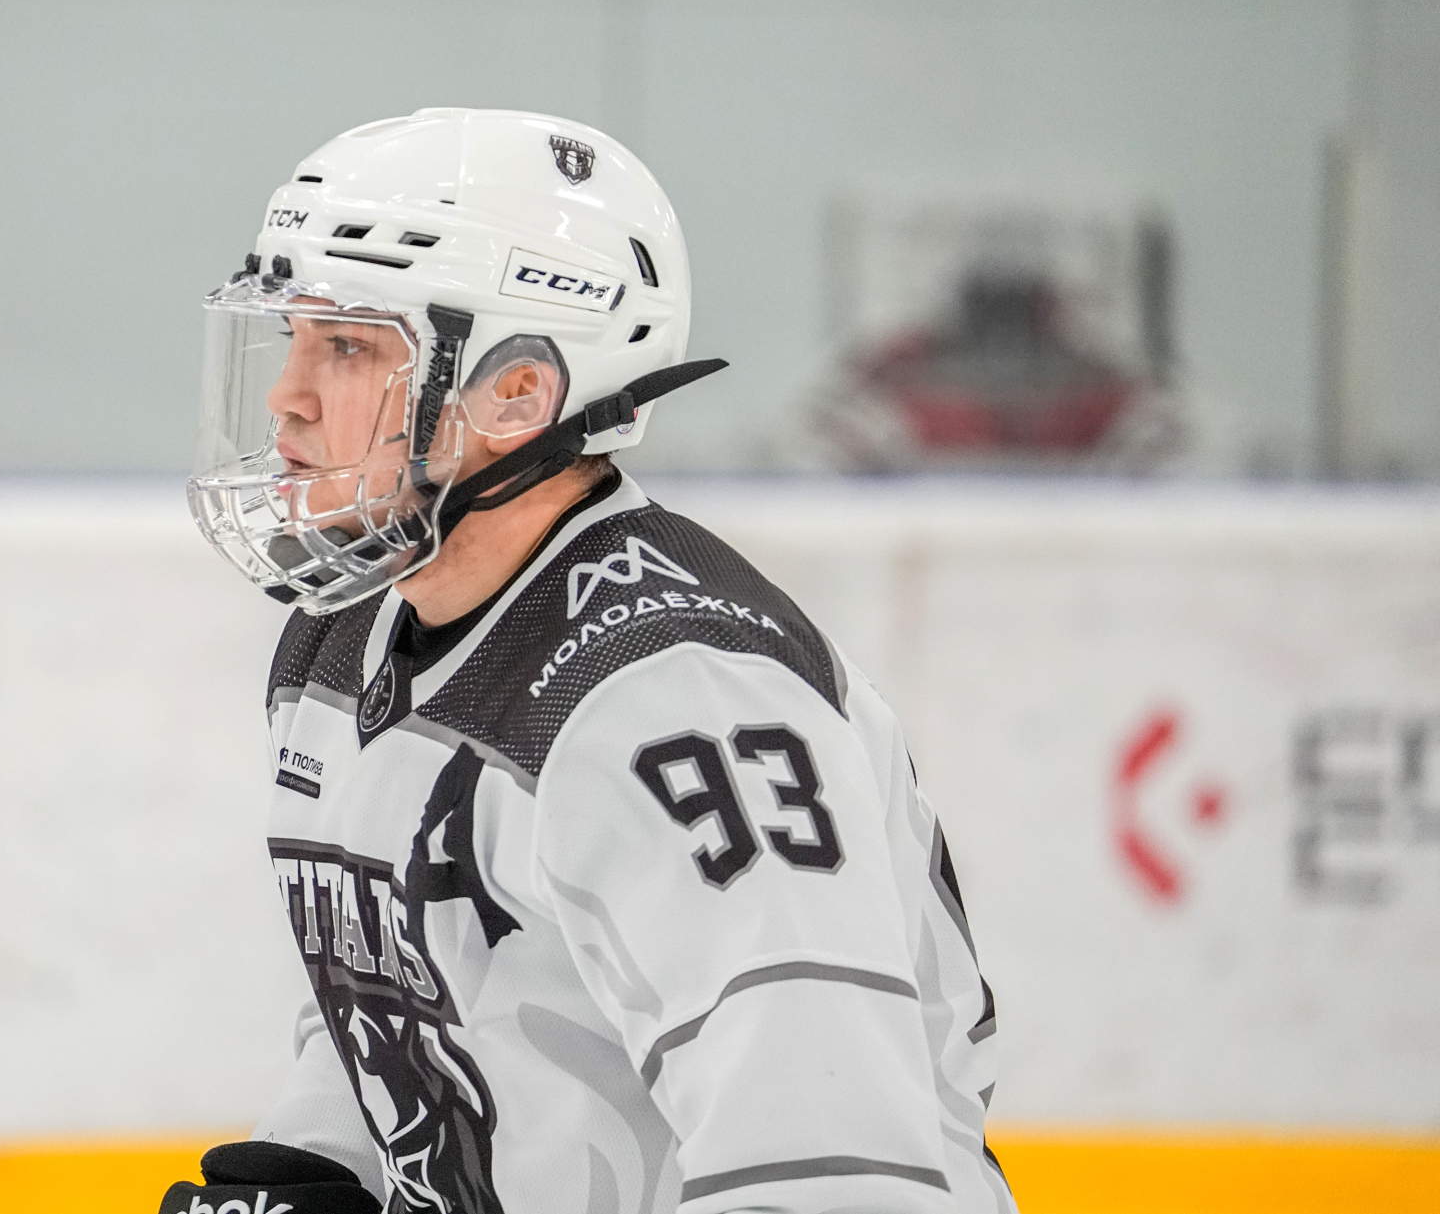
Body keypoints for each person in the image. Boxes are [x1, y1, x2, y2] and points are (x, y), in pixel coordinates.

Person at [170, 109, 1016, 1214]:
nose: (287, 395)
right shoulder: (343, 639)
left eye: (349, 346)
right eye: (292, 336)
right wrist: (322, 1168)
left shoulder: (675, 700)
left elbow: (829, 1172)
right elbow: (409, 1015)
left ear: (518, 394)